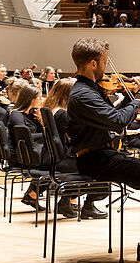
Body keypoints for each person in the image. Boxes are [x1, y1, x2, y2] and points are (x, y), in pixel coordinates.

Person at [67, 38, 140, 261]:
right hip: (96, 159)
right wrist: (136, 102)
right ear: (92, 64)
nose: (107, 68)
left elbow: (110, 114)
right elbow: (117, 120)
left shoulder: (90, 90)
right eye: (104, 62)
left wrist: (129, 94)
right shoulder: (84, 94)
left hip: (103, 154)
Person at [45, 78, 106, 219]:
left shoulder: (53, 110)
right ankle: (88, 206)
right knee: (104, 168)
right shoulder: (62, 114)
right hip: (64, 159)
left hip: (57, 157)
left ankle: (65, 202)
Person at [7, 85, 48, 210]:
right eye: (39, 98)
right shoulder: (17, 115)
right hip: (19, 155)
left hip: (30, 152)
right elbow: (25, 137)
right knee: (54, 163)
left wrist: (41, 121)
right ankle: (32, 194)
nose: (41, 100)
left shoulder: (31, 115)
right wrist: (46, 135)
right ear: (31, 99)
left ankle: (32, 194)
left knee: (54, 161)